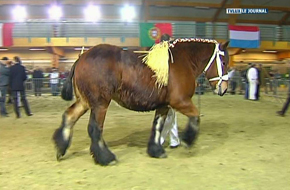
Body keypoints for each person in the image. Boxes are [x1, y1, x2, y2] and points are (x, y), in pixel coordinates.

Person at [159, 33, 180, 148]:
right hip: (166, 89)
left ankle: (174, 140)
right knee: (168, 115)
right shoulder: (166, 55)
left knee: (171, 115)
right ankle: (160, 140)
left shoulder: (163, 54)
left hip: (167, 88)